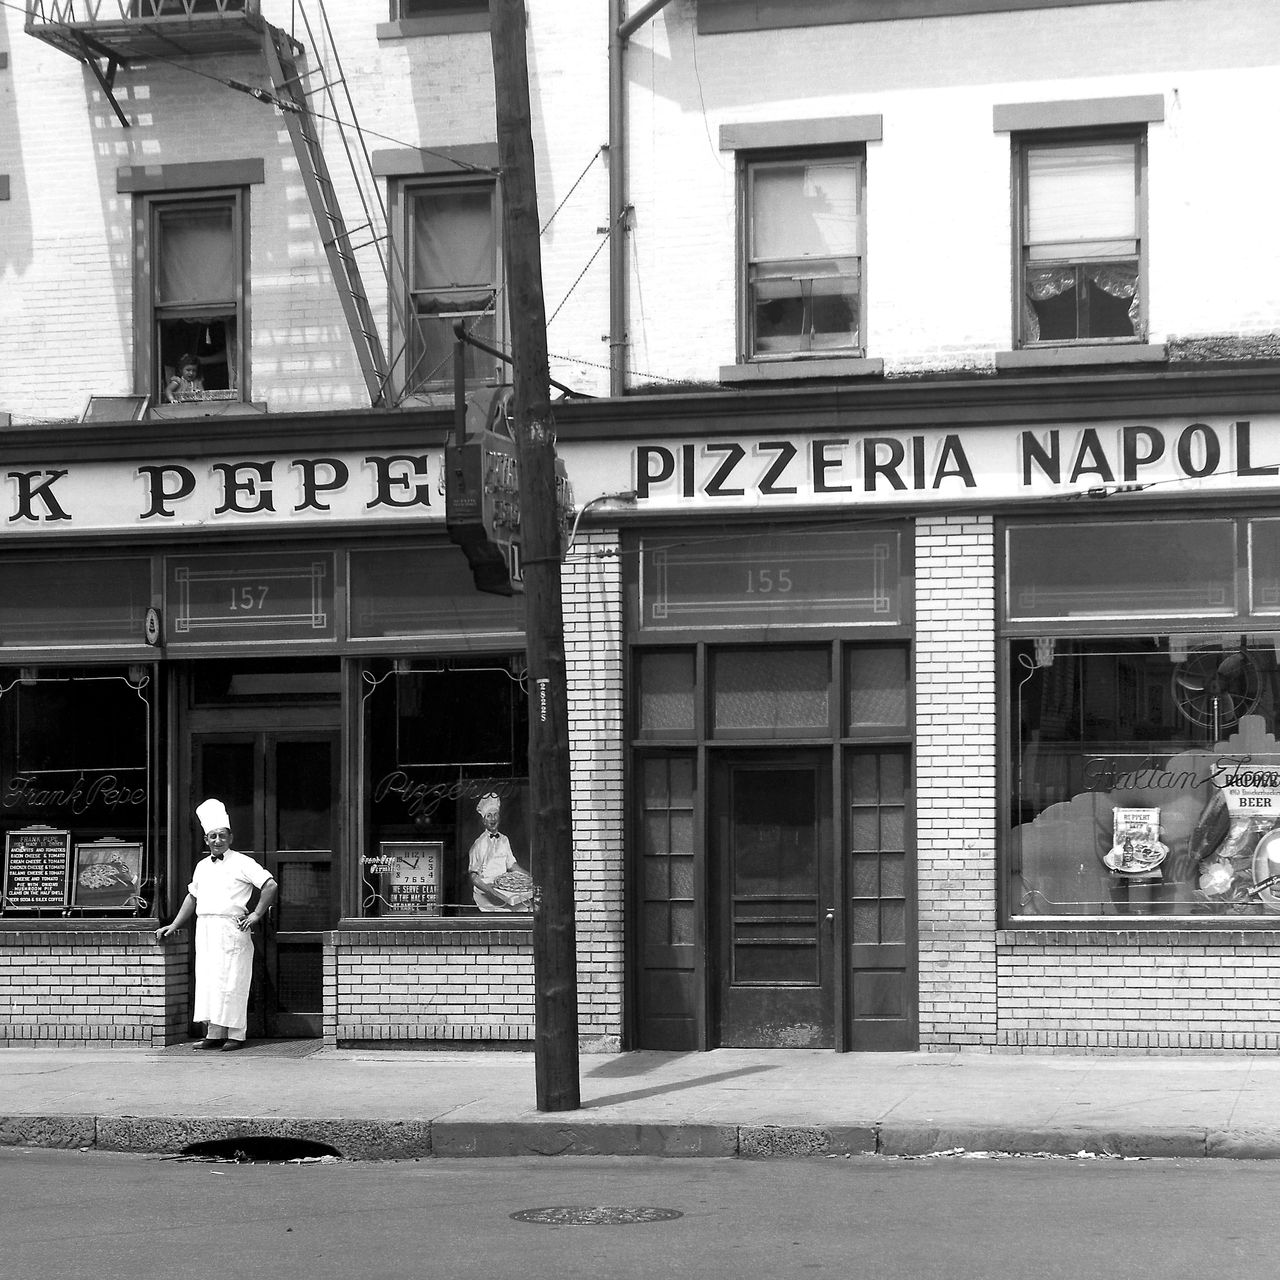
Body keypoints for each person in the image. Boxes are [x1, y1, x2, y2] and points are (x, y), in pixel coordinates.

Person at [155, 798, 277, 1051]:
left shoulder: (242, 862)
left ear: (230, 838)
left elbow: (270, 885)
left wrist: (256, 914)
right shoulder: (202, 866)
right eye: (213, 836)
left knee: (232, 982)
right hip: (206, 929)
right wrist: (174, 924)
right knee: (210, 981)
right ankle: (214, 1033)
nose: (218, 840)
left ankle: (236, 1034)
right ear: (206, 840)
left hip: (231, 929)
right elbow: (192, 897)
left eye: (222, 835)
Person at [467, 792, 530, 912]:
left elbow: (512, 865)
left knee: (527, 908)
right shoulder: (478, 844)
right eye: (489, 816)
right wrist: (491, 891)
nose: (493, 819)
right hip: (485, 893)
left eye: (495, 815)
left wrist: (530, 877)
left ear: (499, 818)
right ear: (484, 821)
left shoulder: (504, 839)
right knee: (507, 914)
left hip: (503, 889)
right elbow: (474, 877)